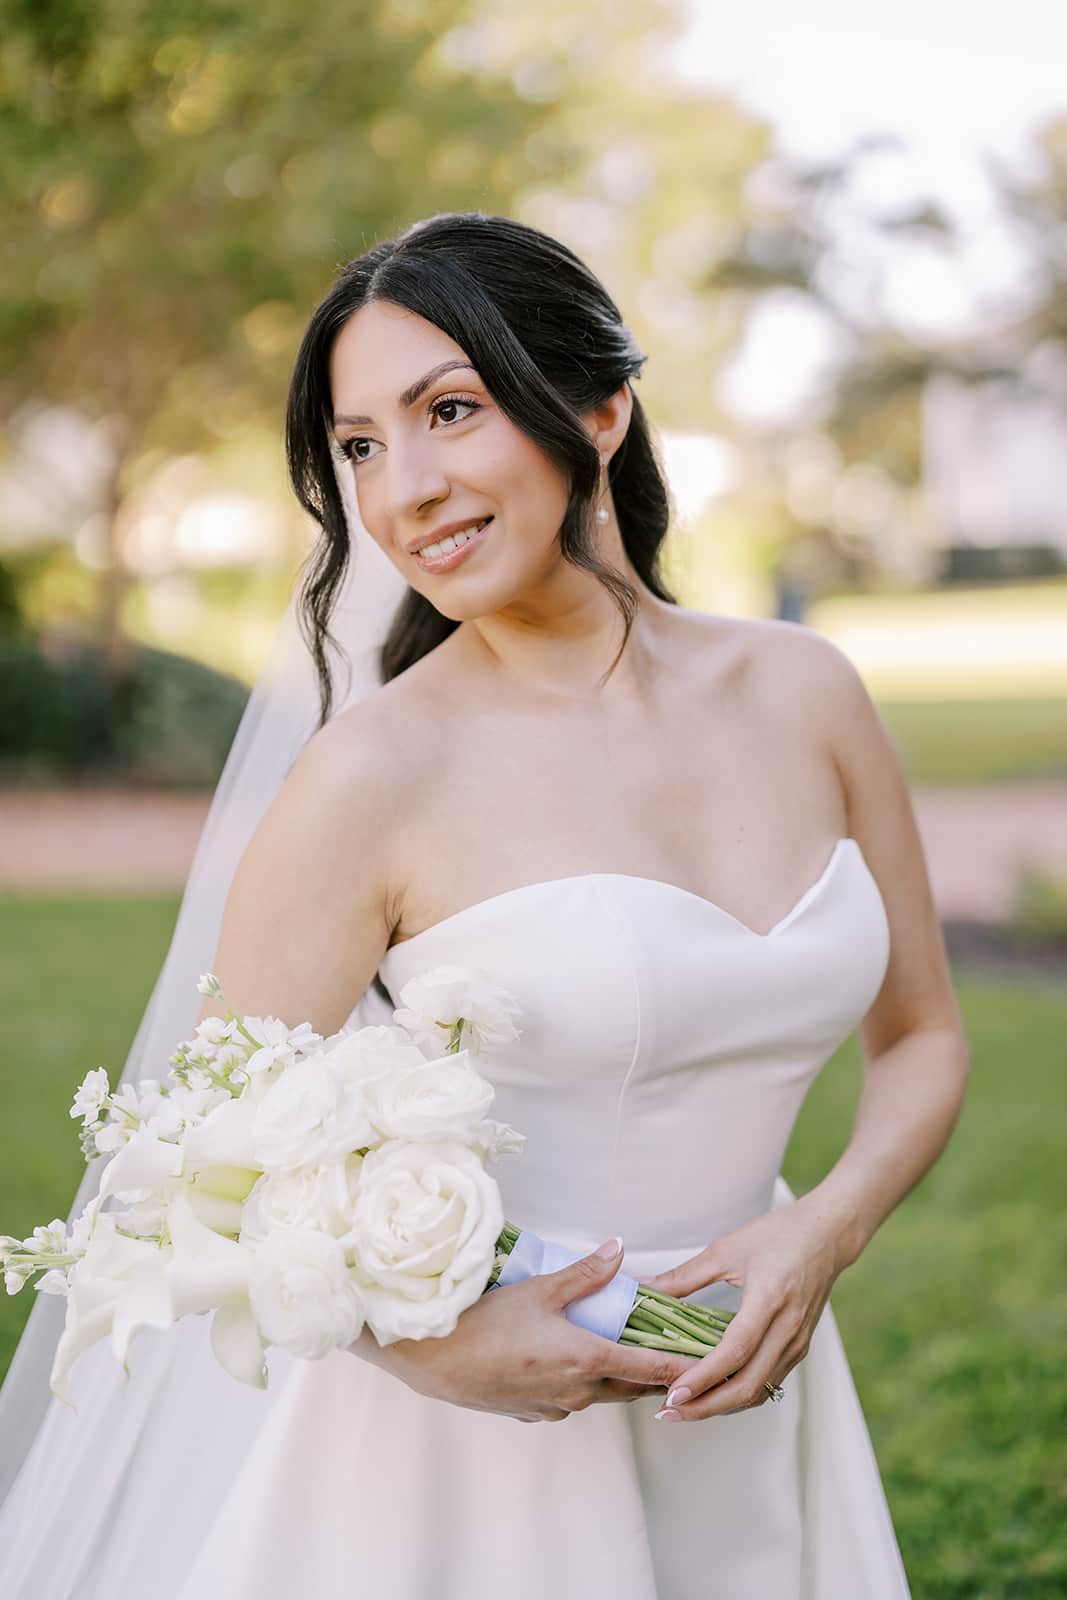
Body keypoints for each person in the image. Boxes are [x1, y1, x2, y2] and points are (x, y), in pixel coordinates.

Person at [0, 211, 970, 1599]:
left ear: (601, 406)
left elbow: (924, 1034)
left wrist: (822, 1232)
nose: (405, 489)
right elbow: (197, 1182)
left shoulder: (806, 691)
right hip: (454, 1477)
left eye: (449, 411)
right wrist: (436, 1351)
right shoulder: (372, 776)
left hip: (746, 1391)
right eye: (359, 447)